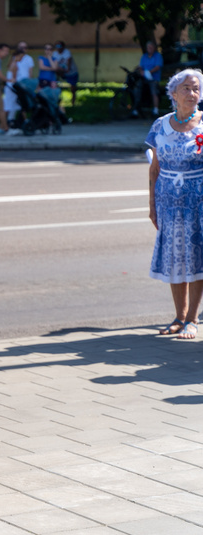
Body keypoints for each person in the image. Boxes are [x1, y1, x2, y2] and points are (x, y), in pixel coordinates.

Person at [147, 69, 203, 340]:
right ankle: (178, 318)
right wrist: (152, 204)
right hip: (168, 201)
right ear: (173, 94)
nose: (193, 94)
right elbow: (154, 169)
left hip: (199, 202)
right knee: (175, 258)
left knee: (197, 259)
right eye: (187, 89)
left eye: (196, 89)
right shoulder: (160, 125)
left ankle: (193, 319)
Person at [138, 40, 164, 117]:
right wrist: (142, 71)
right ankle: (136, 109)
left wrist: (149, 72)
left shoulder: (158, 56)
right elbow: (140, 66)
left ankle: (155, 110)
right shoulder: (144, 56)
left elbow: (157, 67)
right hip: (144, 78)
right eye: (148, 47)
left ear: (154, 48)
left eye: (151, 47)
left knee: (154, 91)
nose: (149, 49)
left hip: (154, 78)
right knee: (137, 88)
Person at [53, 41, 79, 106]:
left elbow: (68, 68)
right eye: (56, 46)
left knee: (73, 88)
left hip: (72, 73)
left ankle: (73, 103)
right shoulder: (54, 53)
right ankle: (58, 101)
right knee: (55, 84)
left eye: (59, 46)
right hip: (61, 72)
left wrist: (58, 69)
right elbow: (54, 66)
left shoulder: (67, 52)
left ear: (63, 47)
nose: (58, 48)